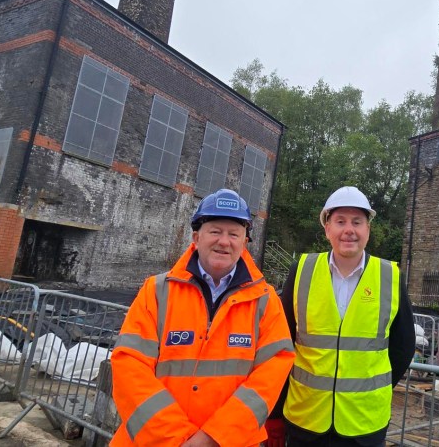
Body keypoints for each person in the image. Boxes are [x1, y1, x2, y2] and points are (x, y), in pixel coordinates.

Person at [111, 189, 295, 446]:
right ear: (196, 237)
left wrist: (213, 438)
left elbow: (272, 373)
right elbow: (129, 366)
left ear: (244, 242)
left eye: (234, 234)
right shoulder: (157, 292)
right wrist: (178, 439)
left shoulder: (265, 302)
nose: (224, 241)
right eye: (215, 231)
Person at [275, 186, 415, 447]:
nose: (349, 230)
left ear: (368, 230)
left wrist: (372, 390)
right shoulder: (302, 270)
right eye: (340, 221)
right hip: (305, 420)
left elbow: (403, 347)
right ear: (327, 229)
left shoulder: (390, 277)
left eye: (357, 222)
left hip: (364, 425)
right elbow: (282, 340)